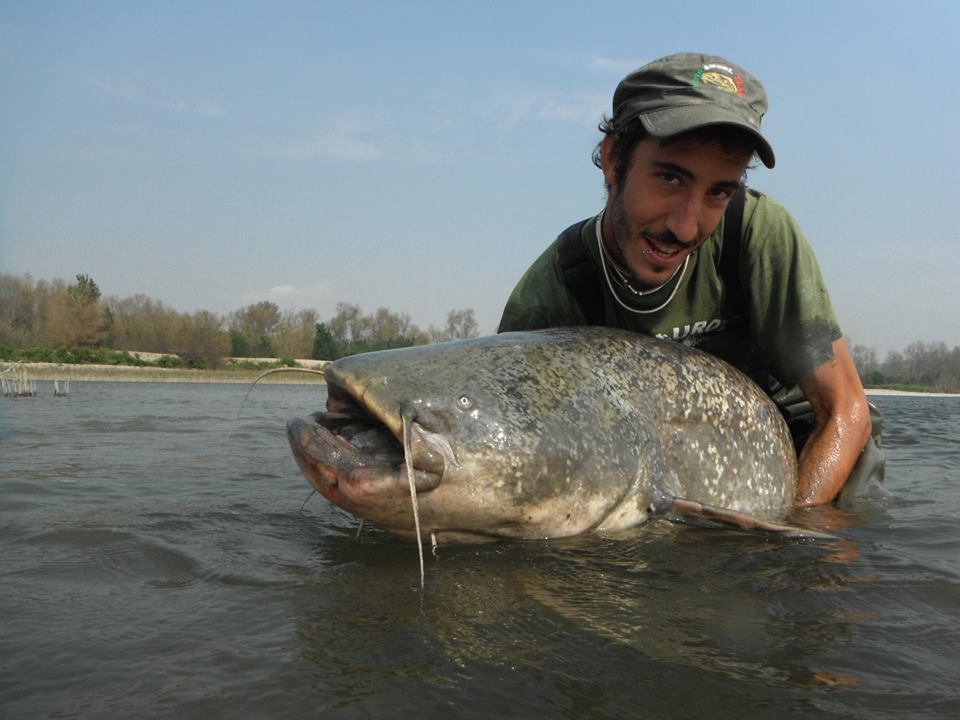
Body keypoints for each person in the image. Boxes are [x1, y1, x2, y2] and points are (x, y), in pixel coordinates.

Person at [498, 52, 883, 507]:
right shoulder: (553, 292)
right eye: (669, 178)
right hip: (645, 466)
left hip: (795, 448)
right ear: (611, 160)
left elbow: (845, 411)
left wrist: (790, 534)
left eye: (718, 192)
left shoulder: (759, 235)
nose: (684, 227)